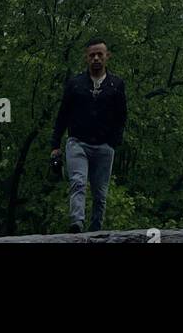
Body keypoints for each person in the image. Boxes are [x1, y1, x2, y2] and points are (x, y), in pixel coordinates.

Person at [51, 39, 127, 234]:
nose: (96, 58)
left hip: (104, 145)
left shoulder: (116, 85)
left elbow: (121, 116)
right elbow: (62, 115)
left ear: (107, 56)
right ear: (86, 57)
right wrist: (55, 145)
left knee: (100, 193)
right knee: (78, 181)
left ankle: (96, 232)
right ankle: (77, 223)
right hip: (78, 143)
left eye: (99, 54)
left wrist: (114, 141)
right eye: (92, 55)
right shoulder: (75, 84)